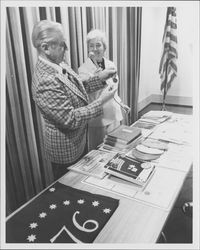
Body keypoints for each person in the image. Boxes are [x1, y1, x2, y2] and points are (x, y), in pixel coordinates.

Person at [31, 20, 118, 180]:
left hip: (78, 141)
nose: (67, 49)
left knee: (82, 182)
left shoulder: (58, 63)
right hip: (66, 151)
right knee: (70, 189)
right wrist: (102, 100)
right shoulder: (45, 80)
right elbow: (70, 119)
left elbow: (76, 87)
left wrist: (99, 78)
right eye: (62, 45)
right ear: (45, 48)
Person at [78, 29, 130, 151]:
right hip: (98, 119)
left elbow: (113, 89)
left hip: (114, 114)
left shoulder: (111, 64)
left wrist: (121, 103)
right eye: (91, 46)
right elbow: (87, 92)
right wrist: (97, 78)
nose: (95, 49)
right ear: (88, 49)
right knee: (98, 153)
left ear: (104, 47)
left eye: (98, 45)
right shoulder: (83, 70)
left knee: (115, 149)